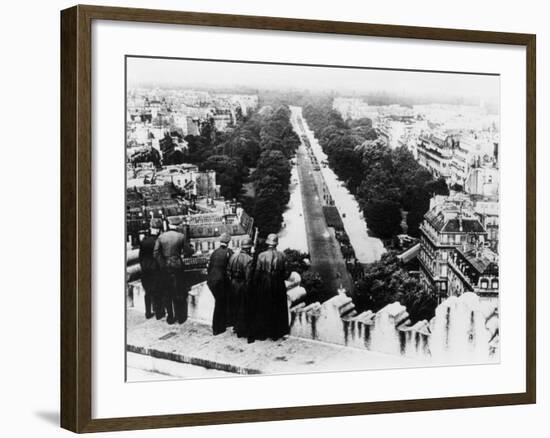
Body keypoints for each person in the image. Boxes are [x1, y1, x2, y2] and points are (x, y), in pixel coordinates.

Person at [250, 233, 289, 342]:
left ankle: (263, 332)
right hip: (278, 283)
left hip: (265, 283)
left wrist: (255, 284)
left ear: (267, 243)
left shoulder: (261, 255)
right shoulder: (282, 256)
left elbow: (257, 272)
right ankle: (276, 333)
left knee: (263, 307)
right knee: (278, 307)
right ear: (276, 243)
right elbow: (286, 274)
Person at [154, 216, 193, 324]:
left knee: (167, 292)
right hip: (177, 266)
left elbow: (156, 253)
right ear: (177, 225)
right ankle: (180, 317)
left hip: (165, 267)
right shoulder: (181, 236)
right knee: (178, 291)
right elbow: (188, 251)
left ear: (169, 225)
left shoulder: (161, 237)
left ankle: (170, 317)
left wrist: (163, 264)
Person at [226, 237, 254, 338]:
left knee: (235, 306)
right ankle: (242, 330)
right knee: (243, 308)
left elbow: (228, 272)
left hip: (233, 283)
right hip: (242, 284)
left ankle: (236, 326)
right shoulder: (249, 259)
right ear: (248, 248)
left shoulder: (233, 256)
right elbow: (248, 277)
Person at [207, 233, 233, 335]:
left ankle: (223, 323)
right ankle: (217, 328)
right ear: (228, 242)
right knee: (220, 303)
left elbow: (209, 268)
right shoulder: (229, 252)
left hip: (211, 281)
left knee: (220, 301)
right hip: (220, 281)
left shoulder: (214, 252)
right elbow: (231, 268)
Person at [138, 218, 163, 319]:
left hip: (145, 270)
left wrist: (144, 266)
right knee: (157, 291)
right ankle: (158, 313)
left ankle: (148, 313)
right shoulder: (158, 241)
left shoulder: (144, 241)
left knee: (147, 292)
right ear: (157, 230)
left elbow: (140, 256)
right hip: (156, 269)